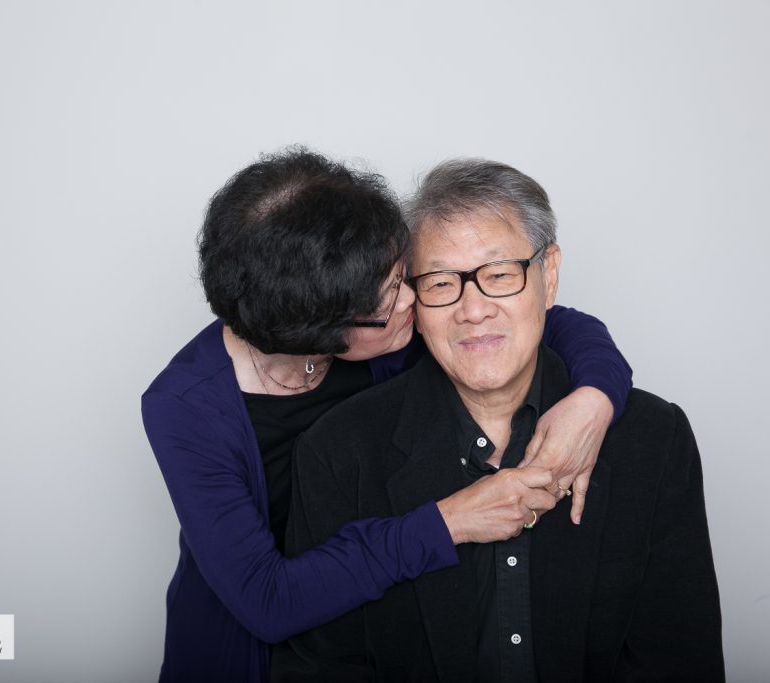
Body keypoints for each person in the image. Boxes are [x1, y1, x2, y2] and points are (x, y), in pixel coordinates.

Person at [141, 149, 634, 682]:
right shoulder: (184, 407)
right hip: (249, 661)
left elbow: (544, 320)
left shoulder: (389, 326)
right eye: (386, 300)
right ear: (315, 332)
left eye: (401, 276)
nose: (411, 302)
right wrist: (449, 522)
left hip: (367, 637)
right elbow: (268, 602)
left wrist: (594, 401)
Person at [273, 158, 723, 682]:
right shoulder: (338, 450)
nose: (473, 309)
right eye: (441, 282)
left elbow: (678, 659)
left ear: (548, 276)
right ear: (413, 299)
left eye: (500, 275)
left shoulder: (654, 438)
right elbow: (320, 666)